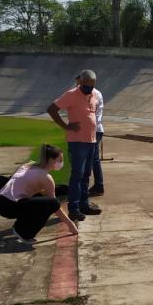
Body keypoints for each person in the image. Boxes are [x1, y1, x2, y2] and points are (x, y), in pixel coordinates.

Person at [47, 70, 103, 222]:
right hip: (77, 142)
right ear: (81, 83)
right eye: (86, 85)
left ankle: (84, 205)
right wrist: (66, 127)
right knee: (77, 175)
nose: (89, 88)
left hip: (91, 141)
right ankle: (74, 209)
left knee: (86, 175)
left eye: (92, 86)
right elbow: (51, 109)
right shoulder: (71, 94)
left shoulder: (95, 95)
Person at [0, 144, 79, 243]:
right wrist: (70, 225)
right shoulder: (46, 177)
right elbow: (55, 206)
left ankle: (22, 225)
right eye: (60, 160)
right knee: (51, 203)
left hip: (1, 202)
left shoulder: (29, 165)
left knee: (60, 190)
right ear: (51, 160)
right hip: (9, 207)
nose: (62, 163)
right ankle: (23, 232)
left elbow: (14, 180)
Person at [88, 83, 105, 197]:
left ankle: (99, 186)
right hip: (95, 129)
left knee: (93, 159)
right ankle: (98, 185)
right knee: (94, 159)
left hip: (94, 130)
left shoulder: (94, 94)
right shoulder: (93, 93)